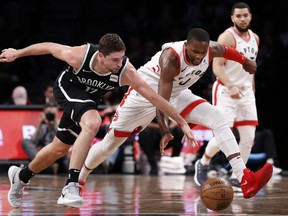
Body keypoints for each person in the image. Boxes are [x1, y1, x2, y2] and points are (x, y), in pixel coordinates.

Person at [0, 33, 196, 208]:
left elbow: (155, 98)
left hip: (89, 100)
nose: (120, 63)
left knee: (59, 148)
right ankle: (71, 186)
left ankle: (21, 176)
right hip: (68, 88)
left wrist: (182, 122)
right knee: (93, 122)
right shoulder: (78, 55)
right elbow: (49, 46)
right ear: (101, 56)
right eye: (115, 60)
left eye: (122, 58)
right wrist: (17, 53)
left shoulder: (126, 71)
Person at [78, 28, 272, 201]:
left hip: (177, 93)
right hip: (144, 96)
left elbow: (226, 50)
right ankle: (78, 180)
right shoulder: (171, 58)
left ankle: (244, 178)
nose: (198, 57)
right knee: (109, 146)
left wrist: (245, 61)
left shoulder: (210, 49)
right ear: (186, 46)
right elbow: (161, 101)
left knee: (218, 119)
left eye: (202, 53)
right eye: (194, 52)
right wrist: (165, 131)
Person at [194, 2, 262, 192]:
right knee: (225, 134)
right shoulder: (227, 37)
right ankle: (204, 161)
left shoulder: (255, 38)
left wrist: (252, 87)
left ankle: (236, 177)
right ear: (232, 18)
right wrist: (231, 85)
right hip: (226, 90)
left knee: (249, 137)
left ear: (250, 16)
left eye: (245, 15)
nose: (242, 19)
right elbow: (216, 66)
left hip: (246, 91)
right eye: (238, 16)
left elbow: (251, 67)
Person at [21, 102, 69, 174]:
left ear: (57, 113)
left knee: (64, 144)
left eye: (52, 114)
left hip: (59, 154)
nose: (50, 116)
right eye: (48, 114)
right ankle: (46, 166)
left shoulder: (61, 124)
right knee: (25, 141)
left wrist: (54, 126)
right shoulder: (43, 125)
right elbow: (34, 141)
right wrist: (39, 125)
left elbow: (62, 140)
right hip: (44, 155)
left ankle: (41, 167)